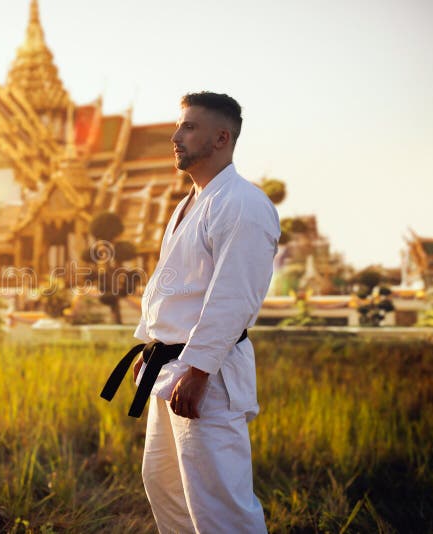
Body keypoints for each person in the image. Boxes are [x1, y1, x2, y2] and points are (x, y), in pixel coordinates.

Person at [102, 92, 277, 533]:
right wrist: (150, 343)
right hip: (170, 365)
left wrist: (197, 370)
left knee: (220, 505)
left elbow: (233, 297)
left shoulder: (243, 203)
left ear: (222, 137)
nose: (175, 136)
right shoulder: (189, 204)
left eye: (189, 127)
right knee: (164, 486)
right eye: (178, 126)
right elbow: (175, 286)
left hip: (207, 375)